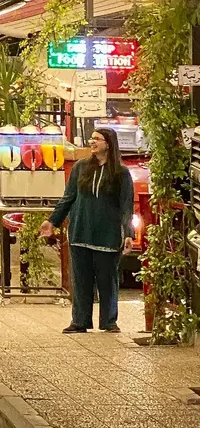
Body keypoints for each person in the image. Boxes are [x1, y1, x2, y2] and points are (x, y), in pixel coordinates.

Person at [39, 124, 134, 333]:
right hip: (80, 232)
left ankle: (109, 322)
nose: (92, 142)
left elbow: (127, 206)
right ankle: (80, 321)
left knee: (107, 281)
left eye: (97, 139)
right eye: (92, 138)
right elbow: (68, 198)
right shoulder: (81, 167)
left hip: (107, 235)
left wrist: (128, 234)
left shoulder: (121, 173)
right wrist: (52, 221)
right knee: (81, 280)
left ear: (108, 144)